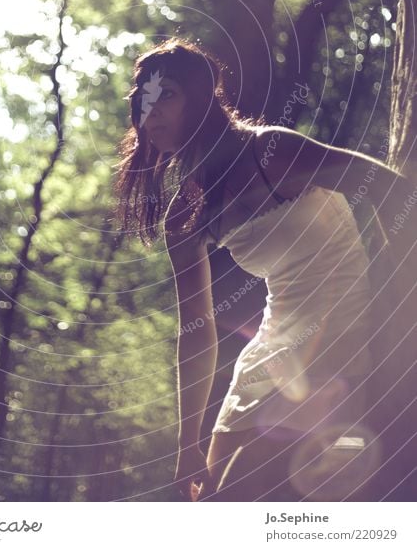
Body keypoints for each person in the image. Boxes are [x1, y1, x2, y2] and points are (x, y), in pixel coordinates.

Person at [113, 37, 416, 502]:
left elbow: (387, 187)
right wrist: (185, 443)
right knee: (213, 506)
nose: (151, 113)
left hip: (337, 339)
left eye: (166, 94)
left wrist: (405, 289)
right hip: (270, 354)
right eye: (144, 99)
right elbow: (196, 329)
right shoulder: (185, 213)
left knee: (245, 497)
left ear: (202, 97)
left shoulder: (271, 151)